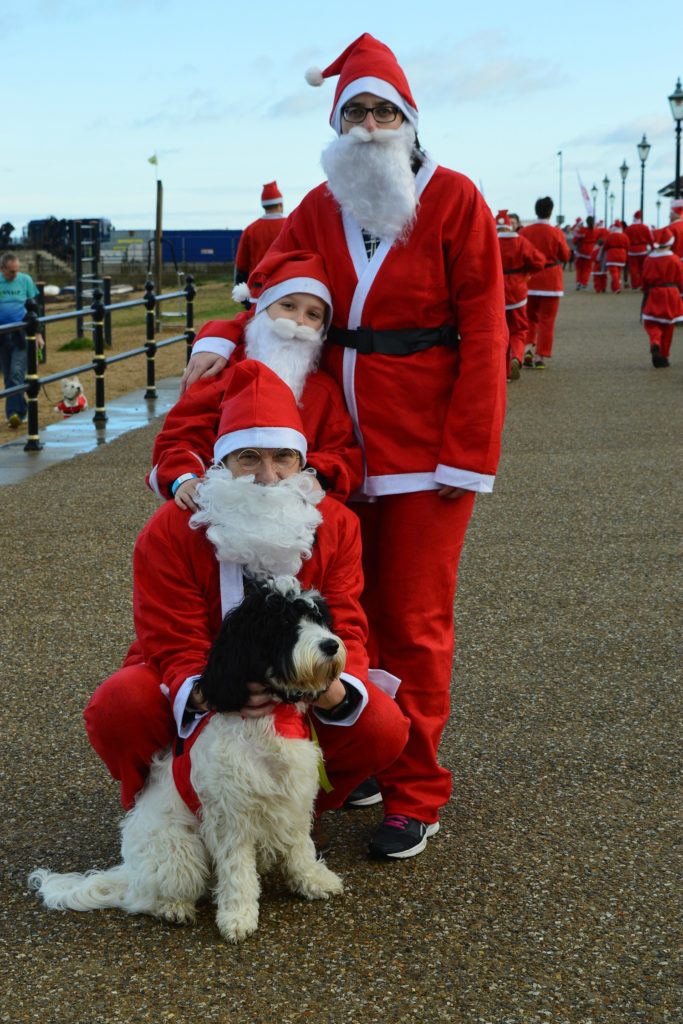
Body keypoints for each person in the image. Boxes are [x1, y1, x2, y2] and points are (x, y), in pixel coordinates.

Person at [179, 33, 507, 859]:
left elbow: (484, 332)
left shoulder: (457, 199)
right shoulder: (319, 207)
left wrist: (467, 454)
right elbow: (264, 292)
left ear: (409, 121)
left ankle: (416, 787)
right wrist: (222, 337)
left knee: (416, 624)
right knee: (334, 617)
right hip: (325, 456)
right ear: (335, 124)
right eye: (353, 111)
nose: (367, 125)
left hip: (426, 453)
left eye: (382, 110)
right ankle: (364, 750)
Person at [84, 360, 410, 849]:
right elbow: (172, 636)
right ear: (222, 463)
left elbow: (347, 626)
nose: (268, 477)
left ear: (303, 463)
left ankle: (291, 820)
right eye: (249, 458)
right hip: (197, 673)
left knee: (381, 724)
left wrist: (332, 689)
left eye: (284, 458)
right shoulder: (172, 529)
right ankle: (157, 817)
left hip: (299, 679)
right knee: (119, 705)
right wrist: (211, 691)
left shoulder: (337, 525)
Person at [149, 250, 363, 506]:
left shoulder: (323, 390)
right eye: (288, 306)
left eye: (313, 315)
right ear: (263, 309)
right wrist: (184, 478)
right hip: (220, 506)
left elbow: (343, 452)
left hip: (295, 511)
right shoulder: (220, 374)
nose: (297, 321)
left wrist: (318, 478)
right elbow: (181, 436)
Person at [495, 209, 545, 379]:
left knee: (500, 330)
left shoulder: (490, 241)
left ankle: (504, 370)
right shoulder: (521, 242)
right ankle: (516, 356)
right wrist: (525, 273)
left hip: (497, 289)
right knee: (520, 328)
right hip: (517, 289)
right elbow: (539, 261)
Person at [522, 197, 570, 368]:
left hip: (530, 280)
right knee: (547, 320)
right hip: (551, 280)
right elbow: (565, 256)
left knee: (528, 318)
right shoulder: (556, 232)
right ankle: (540, 355)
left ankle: (527, 348)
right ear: (551, 211)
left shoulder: (525, 232)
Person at [0, 252, 43, 428]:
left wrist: (38, 333)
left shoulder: (25, 280)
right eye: (11, 271)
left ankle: (14, 414)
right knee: (8, 375)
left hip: (21, 334)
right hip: (2, 335)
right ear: (2, 269)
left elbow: (35, 309)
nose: (14, 274)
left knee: (16, 373)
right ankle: (21, 409)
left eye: (16, 270)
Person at [640, 227, 683, 367]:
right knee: (669, 327)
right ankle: (664, 356)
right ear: (670, 243)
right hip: (672, 293)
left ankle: (655, 341)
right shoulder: (675, 259)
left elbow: (644, 279)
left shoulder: (648, 260)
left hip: (654, 292)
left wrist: (645, 290)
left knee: (651, 323)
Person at [233, 181, 286, 285]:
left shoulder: (251, 229)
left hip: (258, 288)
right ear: (280, 204)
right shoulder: (289, 225)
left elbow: (241, 265)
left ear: (264, 206)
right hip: (284, 285)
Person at [624, 211, 653, 289]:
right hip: (643, 250)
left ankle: (635, 284)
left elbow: (625, 240)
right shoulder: (645, 227)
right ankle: (642, 284)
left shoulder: (628, 228)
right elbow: (650, 239)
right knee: (642, 268)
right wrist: (653, 248)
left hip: (632, 250)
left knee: (633, 269)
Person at [573, 216, 601, 290]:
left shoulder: (582, 230)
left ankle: (579, 282)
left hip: (581, 250)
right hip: (590, 251)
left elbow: (575, 240)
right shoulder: (597, 230)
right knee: (587, 268)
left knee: (579, 268)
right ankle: (584, 282)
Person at [604, 221, 629, 293]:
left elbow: (606, 246)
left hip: (612, 255)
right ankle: (614, 287)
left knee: (614, 273)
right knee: (618, 272)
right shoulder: (624, 236)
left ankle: (617, 287)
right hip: (622, 255)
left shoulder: (610, 236)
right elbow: (627, 246)